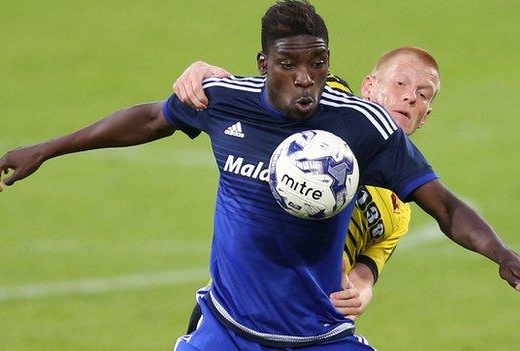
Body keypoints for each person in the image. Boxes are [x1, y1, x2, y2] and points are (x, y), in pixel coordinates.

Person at [0, 1, 520, 350]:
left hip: (317, 337)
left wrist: (502, 254)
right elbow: (148, 117)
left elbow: (446, 208)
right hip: (227, 329)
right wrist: (49, 147)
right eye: (289, 65)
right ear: (265, 65)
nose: (305, 79)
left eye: (317, 65)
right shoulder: (229, 100)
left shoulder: (362, 130)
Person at [178, 47, 440, 332]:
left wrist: (359, 295)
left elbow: (365, 275)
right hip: (231, 313)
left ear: (425, 116)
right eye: (400, 83)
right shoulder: (324, 103)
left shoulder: (398, 210)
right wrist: (203, 71)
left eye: (423, 95)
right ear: (369, 86)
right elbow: (262, 88)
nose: (410, 97)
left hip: (304, 328)